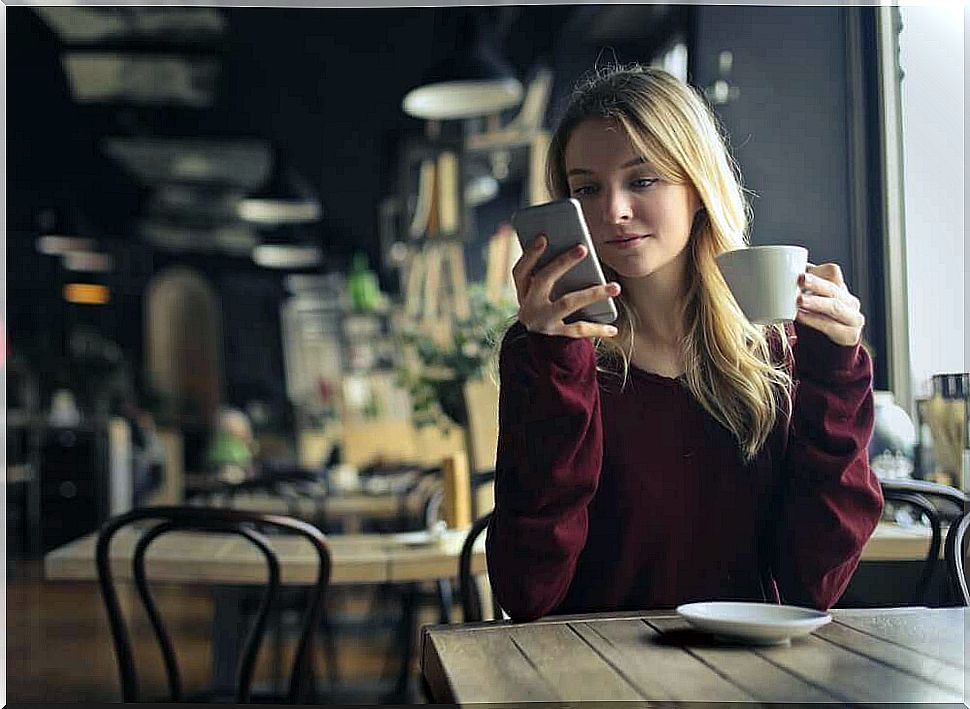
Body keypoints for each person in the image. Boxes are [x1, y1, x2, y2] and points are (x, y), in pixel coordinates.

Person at [487, 64, 884, 623]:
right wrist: (555, 363)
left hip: (749, 677)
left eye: (642, 179)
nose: (613, 212)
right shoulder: (548, 354)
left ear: (699, 188)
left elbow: (814, 582)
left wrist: (838, 370)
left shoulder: (778, 350)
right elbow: (527, 589)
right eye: (587, 189)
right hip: (594, 676)